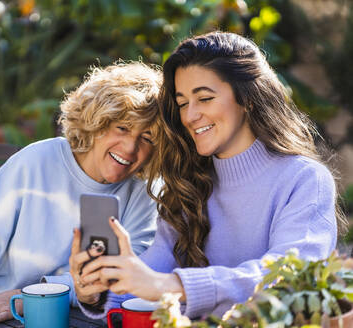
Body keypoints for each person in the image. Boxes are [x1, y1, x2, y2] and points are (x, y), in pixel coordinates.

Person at [71, 31, 346, 320]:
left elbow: (290, 277)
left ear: (247, 99)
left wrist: (173, 286)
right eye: (182, 103)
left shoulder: (304, 180)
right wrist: (97, 291)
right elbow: (146, 280)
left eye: (204, 98)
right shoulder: (189, 186)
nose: (190, 116)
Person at [0, 61, 162, 328]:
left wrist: (29, 298)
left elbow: (131, 273)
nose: (131, 148)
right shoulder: (36, 161)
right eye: (122, 128)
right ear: (97, 122)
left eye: (148, 138)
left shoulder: (146, 191)